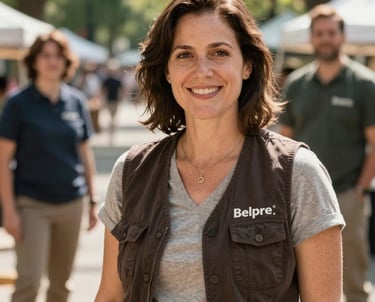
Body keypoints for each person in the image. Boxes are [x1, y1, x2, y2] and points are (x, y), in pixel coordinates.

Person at [95, 1, 345, 301]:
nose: (203, 70)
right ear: (167, 71)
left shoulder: (298, 174)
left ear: (247, 65)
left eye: (219, 53)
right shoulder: (131, 172)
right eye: (185, 55)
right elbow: (110, 295)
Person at [278, 4, 375, 302]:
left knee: (355, 283)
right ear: (312, 38)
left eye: (331, 33)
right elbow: (284, 143)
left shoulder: (364, 84)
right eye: (319, 33)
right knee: (303, 281)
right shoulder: (297, 84)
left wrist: (360, 189)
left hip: (347, 193)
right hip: (300, 197)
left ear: (342, 36)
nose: (325, 39)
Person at [0, 30, 99, 302]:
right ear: (34, 61)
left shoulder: (76, 101)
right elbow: (2, 161)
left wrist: (93, 200)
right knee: (29, 283)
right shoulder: (18, 104)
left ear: (66, 62)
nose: (52, 61)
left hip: (71, 203)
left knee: (61, 285)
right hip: (31, 205)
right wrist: (8, 211)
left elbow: (84, 154)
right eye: (46, 55)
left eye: (58, 56)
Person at [102, 59, 123, 138]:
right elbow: (103, 90)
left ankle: (112, 130)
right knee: (111, 116)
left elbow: (121, 90)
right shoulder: (107, 80)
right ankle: (111, 130)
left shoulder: (117, 80)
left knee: (113, 117)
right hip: (109, 100)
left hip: (115, 100)